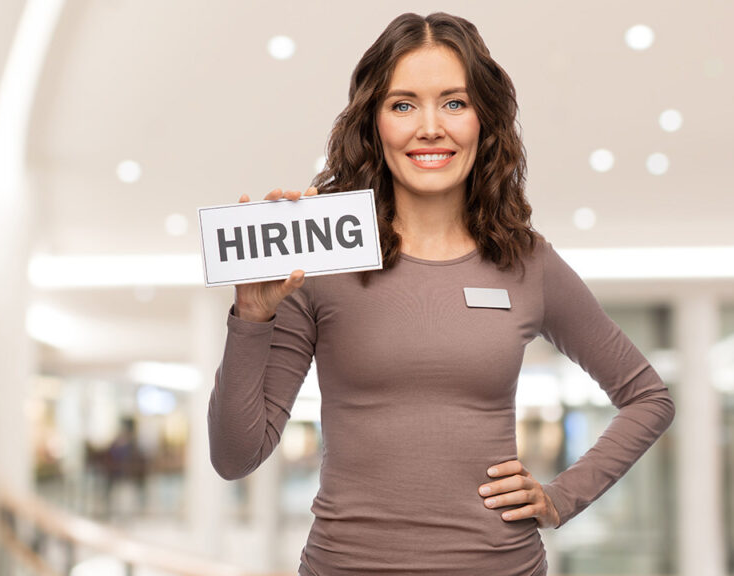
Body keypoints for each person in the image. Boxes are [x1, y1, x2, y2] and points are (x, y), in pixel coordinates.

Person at [208, 12, 676, 576]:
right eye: (403, 105)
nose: (430, 127)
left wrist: (562, 496)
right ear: (374, 123)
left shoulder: (526, 261)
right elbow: (235, 457)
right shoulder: (322, 259)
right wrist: (252, 317)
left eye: (454, 103)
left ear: (484, 119)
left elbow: (650, 398)